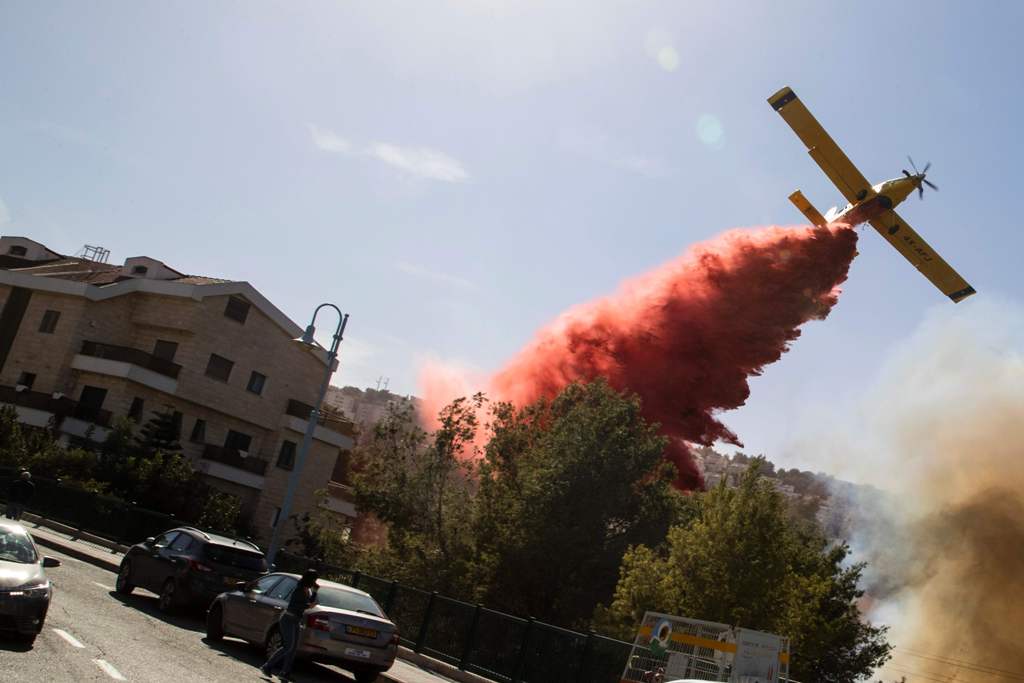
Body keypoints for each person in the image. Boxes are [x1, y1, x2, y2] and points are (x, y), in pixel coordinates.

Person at [261, 569, 318, 680]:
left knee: (293, 648)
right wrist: (308, 606)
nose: (315, 582)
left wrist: (315, 592)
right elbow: (295, 605)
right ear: (309, 579)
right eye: (314, 579)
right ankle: (267, 666)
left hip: (296, 620)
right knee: (288, 646)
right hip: (287, 619)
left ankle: (285, 672)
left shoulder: (308, 590)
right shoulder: (299, 589)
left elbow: (310, 601)